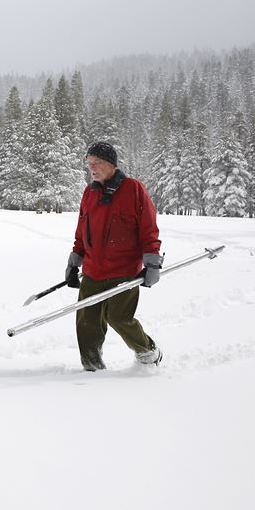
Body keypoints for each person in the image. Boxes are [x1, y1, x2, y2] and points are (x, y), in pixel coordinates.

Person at [64, 142, 163, 371]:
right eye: (89, 164)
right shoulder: (89, 192)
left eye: (96, 163)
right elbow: (82, 231)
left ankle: (148, 353)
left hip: (124, 271)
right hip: (92, 271)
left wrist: (152, 263)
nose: (92, 169)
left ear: (111, 164)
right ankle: (92, 367)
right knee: (87, 323)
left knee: (119, 318)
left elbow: (148, 228)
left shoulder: (133, 189)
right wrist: (74, 262)